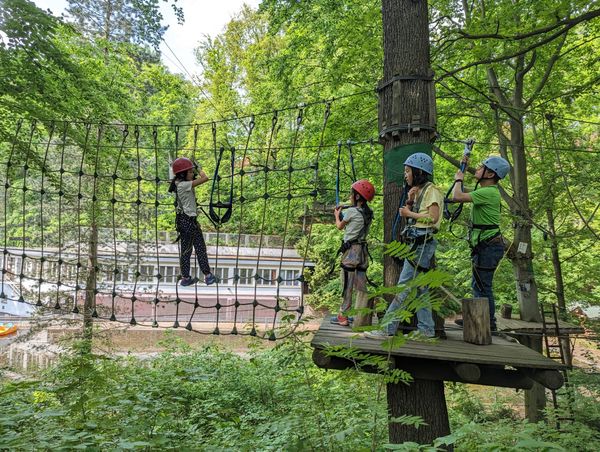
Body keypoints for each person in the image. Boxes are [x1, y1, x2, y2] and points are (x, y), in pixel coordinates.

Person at [365, 153, 443, 339]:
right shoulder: (422, 191)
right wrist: (411, 200)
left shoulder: (432, 190)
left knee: (404, 287)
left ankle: (387, 330)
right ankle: (426, 330)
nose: (405, 175)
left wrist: (409, 213)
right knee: (421, 287)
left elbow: (432, 218)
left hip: (421, 243)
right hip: (418, 242)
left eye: (408, 171)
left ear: (418, 172)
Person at [452, 155, 510, 332]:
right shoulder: (487, 192)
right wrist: (463, 166)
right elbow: (465, 192)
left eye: (481, 167)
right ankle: (479, 318)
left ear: (491, 174)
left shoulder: (489, 192)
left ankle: (488, 323)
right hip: (486, 246)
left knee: (483, 286)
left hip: (488, 246)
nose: (477, 169)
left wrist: (458, 179)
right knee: (478, 284)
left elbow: (457, 196)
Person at [331, 179, 375, 327]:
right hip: (363, 252)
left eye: (352, 194)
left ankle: (343, 316)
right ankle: (361, 316)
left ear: (357, 197)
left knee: (347, 284)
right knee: (361, 285)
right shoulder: (369, 213)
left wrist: (337, 214)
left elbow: (339, 226)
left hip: (351, 252)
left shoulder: (351, 211)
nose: (350, 196)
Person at [168, 157, 216, 286]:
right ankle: (208, 275)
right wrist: (198, 167)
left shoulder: (179, 183)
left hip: (184, 221)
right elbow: (205, 178)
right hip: (189, 221)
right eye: (190, 172)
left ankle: (186, 277)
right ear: (183, 174)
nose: (192, 174)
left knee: (186, 250)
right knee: (200, 248)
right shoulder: (184, 185)